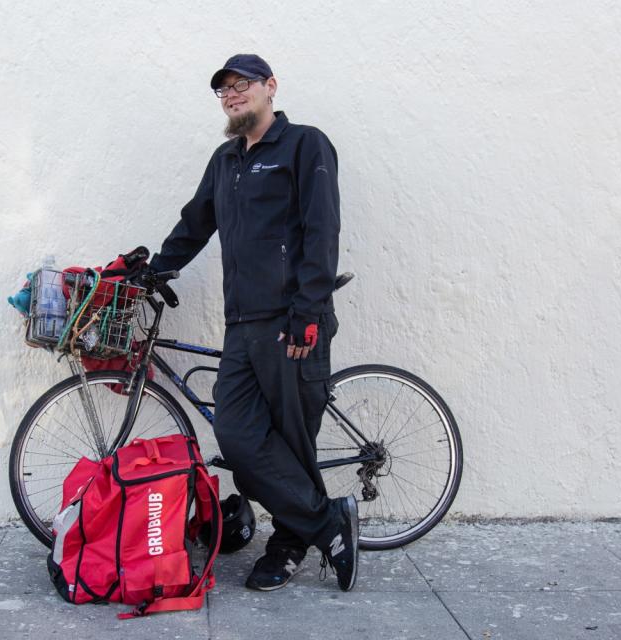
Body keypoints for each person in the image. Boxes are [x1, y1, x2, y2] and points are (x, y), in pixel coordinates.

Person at [147, 54, 358, 592]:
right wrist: (155, 271)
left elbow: (321, 228)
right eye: (225, 90)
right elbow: (197, 222)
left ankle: (288, 547)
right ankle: (329, 522)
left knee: (292, 441)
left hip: (291, 320)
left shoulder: (305, 144)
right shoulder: (226, 161)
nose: (233, 95)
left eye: (243, 85)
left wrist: (308, 311)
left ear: (270, 87)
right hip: (241, 323)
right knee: (237, 435)